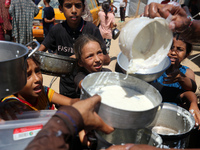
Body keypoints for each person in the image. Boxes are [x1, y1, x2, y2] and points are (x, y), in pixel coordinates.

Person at [38, 0, 111, 99]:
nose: (73, 10)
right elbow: (38, 53)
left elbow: (107, 59)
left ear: (83, 8)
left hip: (90, 88)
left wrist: (81, 56)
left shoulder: (91, 29)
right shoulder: (56, 30)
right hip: (66, 90)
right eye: (68, 6)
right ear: (61, 9)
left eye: (77, 6)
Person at [0, 55, 79, 120]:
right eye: (28, 75)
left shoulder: (44, 93)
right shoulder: (12, 104)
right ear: (13, 83)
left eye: (37, 71)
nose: (37, 79)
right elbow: (36, 118)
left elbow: (71, 102)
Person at [151, 33, 200, 126]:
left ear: (186, 55)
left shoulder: (186, 72)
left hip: (173, 117)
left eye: (179, 50)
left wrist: (181, 78)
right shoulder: (154, 67)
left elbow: (192, 88)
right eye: (170, 47)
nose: (173, 52)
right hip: (151, 112)